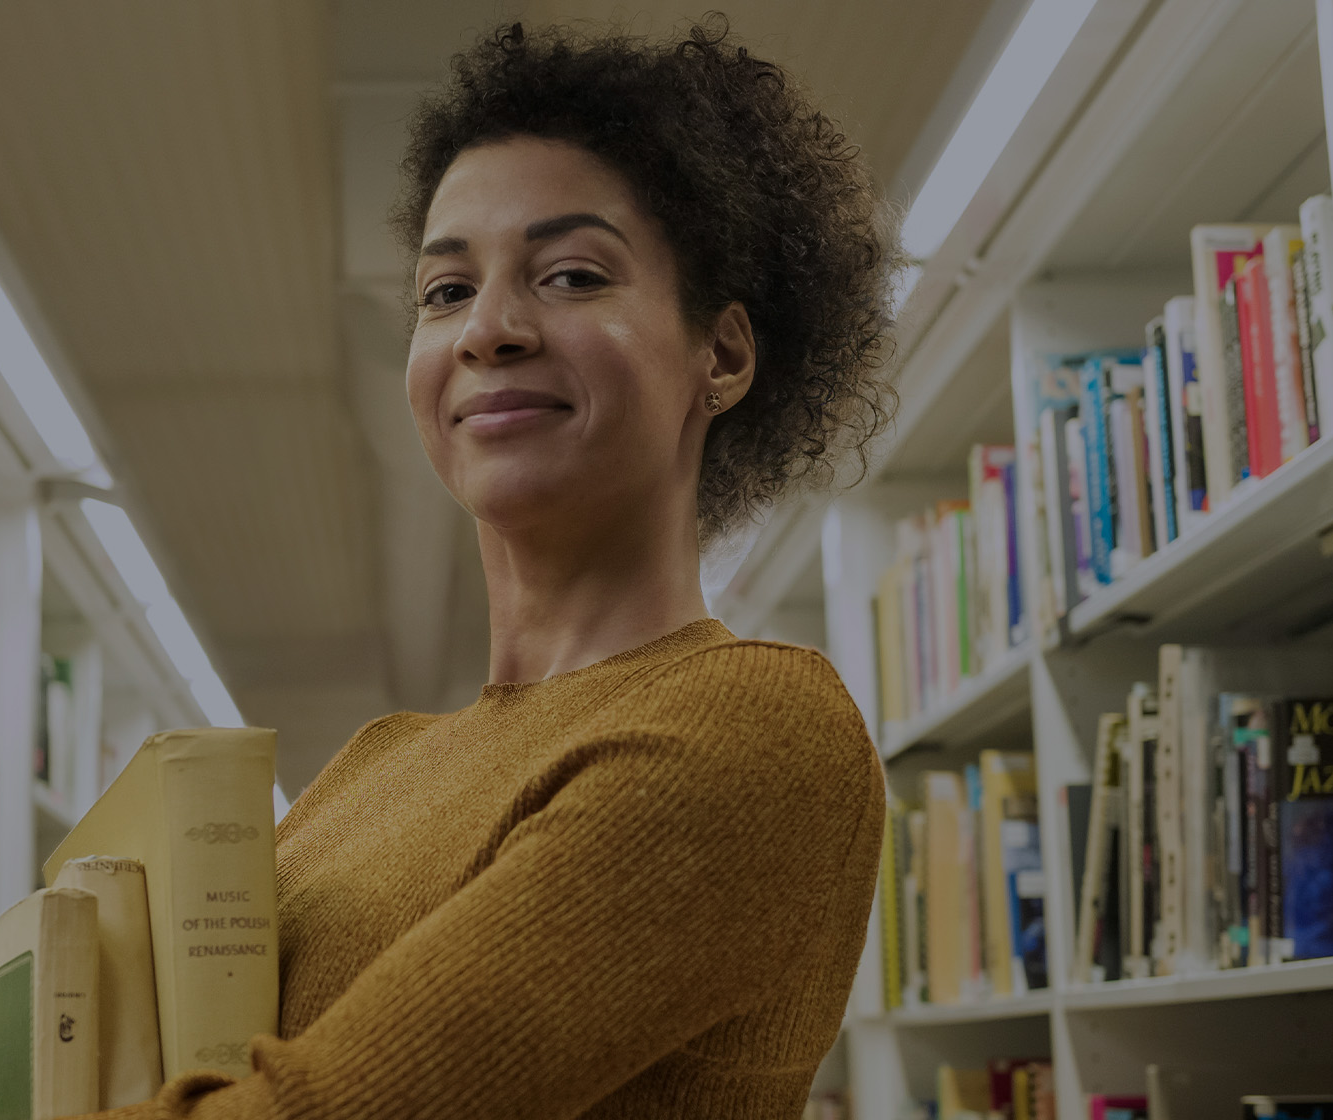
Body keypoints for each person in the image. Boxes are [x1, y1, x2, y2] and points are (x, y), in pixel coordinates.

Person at [86, 18, 895, 1120]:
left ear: (724, 353)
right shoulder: (374, 766)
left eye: (569, 274)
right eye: (444, 291)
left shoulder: (755, 725)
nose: (489, 330)